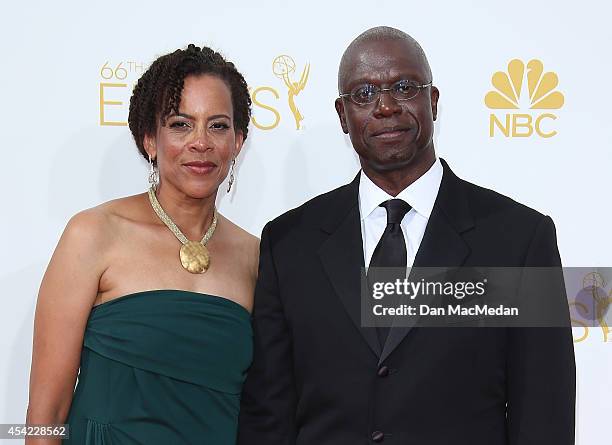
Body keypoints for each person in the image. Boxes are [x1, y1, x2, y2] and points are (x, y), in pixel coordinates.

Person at [238, 27, 576, 444]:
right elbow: (268, 416)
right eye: (363, 94)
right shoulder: (288, 243)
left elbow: (544, 412)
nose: (384, 106)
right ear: (343, 116)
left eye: (403, 87)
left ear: (432, 101)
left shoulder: (519, 239)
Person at [26, 44, 258, 444]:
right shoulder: (94, 234)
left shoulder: (255, 256)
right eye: (181, 124)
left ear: (238, 142)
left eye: (217, 126)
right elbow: (46, 414)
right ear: (149, 139)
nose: (200, 142)